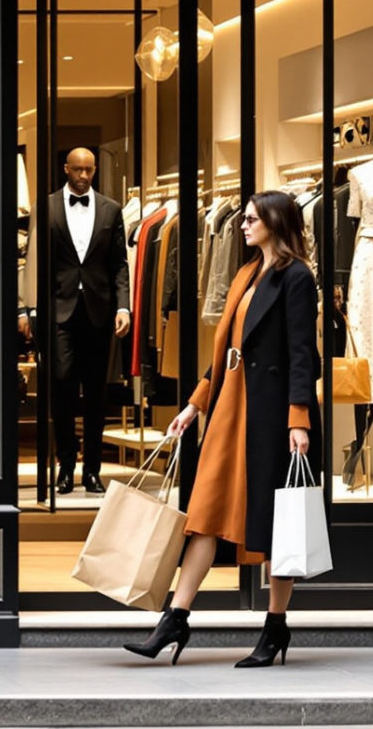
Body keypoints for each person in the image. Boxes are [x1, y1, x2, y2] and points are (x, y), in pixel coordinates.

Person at [123, 190, 321, 669]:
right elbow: (223, 355)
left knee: (277, 525)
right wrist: (193, 406)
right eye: (245, 217)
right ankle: (175, 618)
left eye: (252, 218)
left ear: (276, 222)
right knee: (204, 516)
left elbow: (302, 355)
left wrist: (298, 420)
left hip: (272, 414)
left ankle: (275, 627)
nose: (243, 224)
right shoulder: (245, 273)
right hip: (229, 409)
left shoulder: (297, 277)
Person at [20, 148, 130, 494]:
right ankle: (65, 466)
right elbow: (33, 259)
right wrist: (28, 308)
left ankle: (92, 471)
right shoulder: (46, 206)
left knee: (96, 393)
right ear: (66, 169)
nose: (83, 176)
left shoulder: (111, 209)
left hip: (98, 310)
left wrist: (123, 306)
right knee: (63, 385)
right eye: (77, 170)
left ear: (95, 170)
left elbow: (120, 264)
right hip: (58, 310)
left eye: (89, 170)